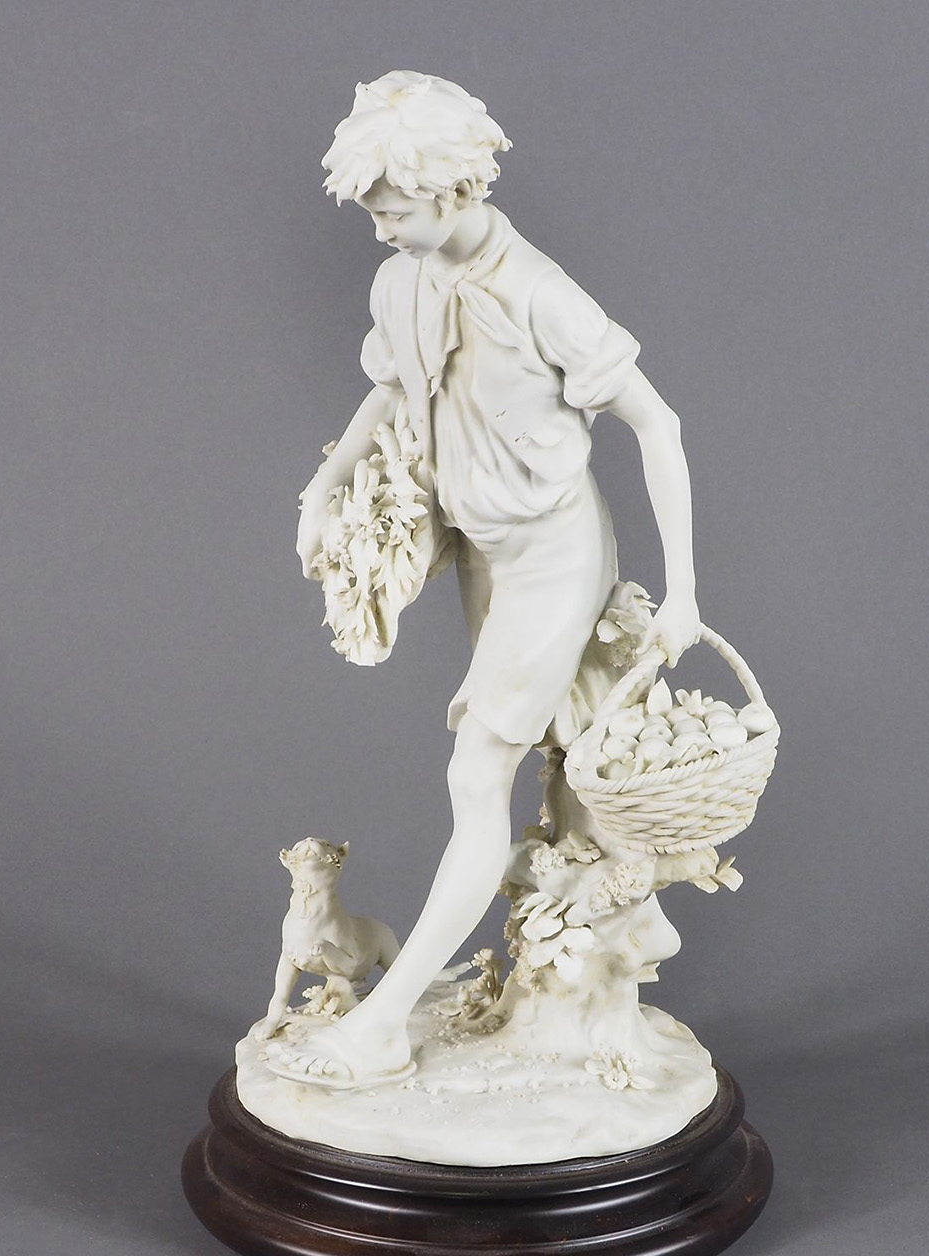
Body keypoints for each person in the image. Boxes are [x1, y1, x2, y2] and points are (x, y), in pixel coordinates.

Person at [293, 71, 701, 1086]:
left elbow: (658, 424)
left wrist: (685, 590)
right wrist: (325, 485)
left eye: (394, 209)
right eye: (373, 212)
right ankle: (563, 955)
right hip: (482, 553)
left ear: (452, 189)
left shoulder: (538, 293)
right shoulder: (401, 281)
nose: (380, 229)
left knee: (478, 774)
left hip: (557, 556)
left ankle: (384, 1021)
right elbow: (392, 389)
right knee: (553, 753)